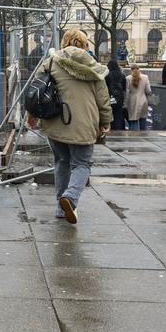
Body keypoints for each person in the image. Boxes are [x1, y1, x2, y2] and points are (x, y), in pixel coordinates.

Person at [26, 29, 111, 225]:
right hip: (84, 123)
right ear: (85, 44)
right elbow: (102, 98)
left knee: (62, 161)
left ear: (64, 42)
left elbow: (36, 88)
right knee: (81, 164)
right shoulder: (94, 66)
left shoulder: (52, 62)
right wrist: (105, 121)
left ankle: (60, 207)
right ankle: (70, 198)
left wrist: (31, 115)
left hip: (55, 121)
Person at [123, 64, 153, 131]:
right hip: (143, 100)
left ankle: (134, 137)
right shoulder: (145, 77)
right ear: (139, 69)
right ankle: (143, 136)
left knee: (134, 120)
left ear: (131, 70)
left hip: (132, 101)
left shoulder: (128, 78)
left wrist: (125, 103)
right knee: (143, 120)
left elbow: (127, 93)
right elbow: (148, 90)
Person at [105, 60, 128, 131]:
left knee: (109, 113)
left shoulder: (107, 75)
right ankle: (117, 129)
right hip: (119, 98)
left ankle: (110, 128)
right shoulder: (122, 75)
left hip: (110, 97)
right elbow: (124, 88)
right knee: (118, 114)